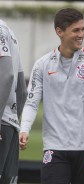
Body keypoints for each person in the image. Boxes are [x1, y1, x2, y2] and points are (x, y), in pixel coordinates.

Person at [19, 8, 84, 184]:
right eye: (76, 30)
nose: (81, 34)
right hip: (55, 148)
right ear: (59, 32)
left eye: (83, 29)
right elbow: (32, 102)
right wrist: (24, 128)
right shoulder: (42, 65)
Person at [0, 19, 27, 184]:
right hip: (10, 124)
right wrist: (14, 121)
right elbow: (22, 89)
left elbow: (7, 75)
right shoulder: (9, 31)